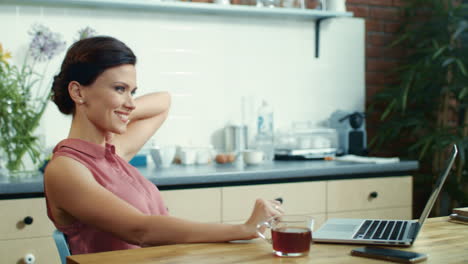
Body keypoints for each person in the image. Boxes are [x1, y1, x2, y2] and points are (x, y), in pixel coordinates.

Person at [44, 36, 283, 255]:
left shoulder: (113, 153)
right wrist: (245, 229)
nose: (131, 103)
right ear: (77, 91)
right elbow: (141, 231)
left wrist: (119, 108)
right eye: (119, 88)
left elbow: (163, 101)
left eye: (133, 91)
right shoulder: (66, 169)